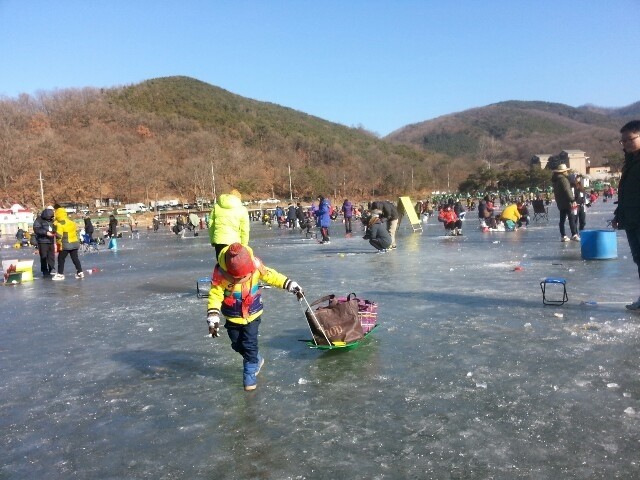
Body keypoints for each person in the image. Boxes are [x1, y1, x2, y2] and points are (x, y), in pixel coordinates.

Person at [206, 243, 302, 391]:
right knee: (236, 345)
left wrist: (289, 285)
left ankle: (249, 374)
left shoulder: (256, 266)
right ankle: (256, 359)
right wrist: (213, 315)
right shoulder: (221, 274)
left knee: (250, 344)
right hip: (233, 316)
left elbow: (272, 276)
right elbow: (215, 294)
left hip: (253, 314)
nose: (244, 277)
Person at [612, 120, 640, 310]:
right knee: (639, 259)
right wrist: (618, 215)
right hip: (632, 219)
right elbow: (626, 193)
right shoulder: (630, 162)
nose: (626, 144)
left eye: (630, 139)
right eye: (623, 141)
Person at [208, 189, 250, 258]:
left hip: (219, 241)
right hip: (235, 243)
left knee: (221, 265)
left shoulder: (216, 207)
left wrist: (213, 240)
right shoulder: (242, 209)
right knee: (233, 266)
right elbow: (244, 229)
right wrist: (244, 245)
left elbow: (211, 225)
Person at [52, 206, 84, 280]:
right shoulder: (72, 222)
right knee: (75, 258)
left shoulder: (60, 224)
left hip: (65, 244)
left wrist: (54, 233)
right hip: (75, 243)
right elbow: (76, 231)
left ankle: (60, 274)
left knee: (61, 259)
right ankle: (80, 272)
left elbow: (59, 235)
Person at [551, 163, 579, 242]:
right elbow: (567, 190)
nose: (567, 172)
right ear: (563, 172)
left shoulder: (555, 180)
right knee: (571, 218)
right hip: (567, 202)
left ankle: (563, 235)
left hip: (560, 203)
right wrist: (572, 200)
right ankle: (574, 234)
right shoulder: (563, 179)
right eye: (566, 171)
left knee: (562, 219)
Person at [33, 206, 56, 277]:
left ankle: (51, 268)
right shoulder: (39, 220)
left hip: (51, 240)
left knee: (51, 256)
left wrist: (55, 232)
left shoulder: (52, 220)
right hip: (42, 241)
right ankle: (44, 270)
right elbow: (36, 229)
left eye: (51, 217)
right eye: (48, 217)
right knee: (43, 256)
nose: (50, 218)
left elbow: (55, 227)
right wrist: (46, 232)